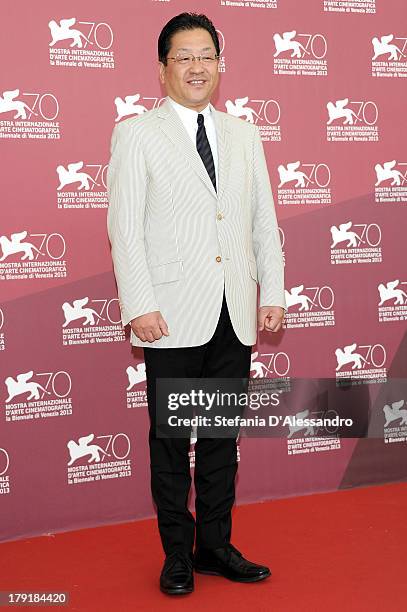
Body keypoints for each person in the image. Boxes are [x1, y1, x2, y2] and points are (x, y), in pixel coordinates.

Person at [107, 12, 285, 596]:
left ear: (220, 63)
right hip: (171, 314)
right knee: (170, 441)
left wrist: (273, 293)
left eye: (205, 55)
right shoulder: (136, 134)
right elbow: (124, 229)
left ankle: (214, 546)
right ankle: (177, 553)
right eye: (182, 57)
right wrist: (139, 304)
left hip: (233, 310)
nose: (196, 66)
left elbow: (264, 222)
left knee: (218, 439)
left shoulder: (243, 135)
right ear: (162, 70)